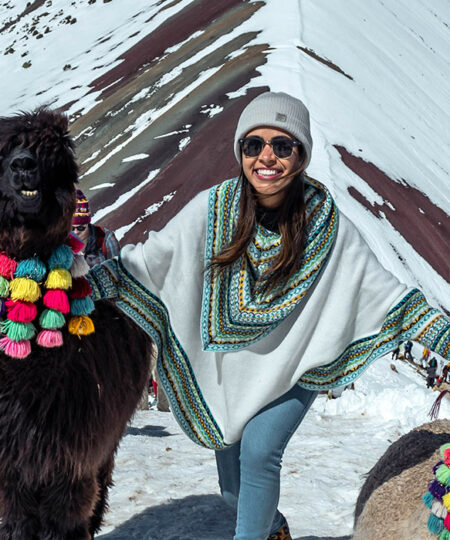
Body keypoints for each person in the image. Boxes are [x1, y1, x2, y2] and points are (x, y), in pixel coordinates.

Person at [88, 92, 449, 540]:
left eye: (283, 145)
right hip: (231, 368)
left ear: (302, 154)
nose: (266, 157)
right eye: (253, 144)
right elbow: (149, 262)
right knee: (232, 484)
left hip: (297, 363)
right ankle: (271, 528)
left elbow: (388, 297)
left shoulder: (326, 226)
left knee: (259, 452)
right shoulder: (214, 209)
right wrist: (78, 287)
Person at [72, 189, 120, 267]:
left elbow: (118, 272)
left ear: (87, 223)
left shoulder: (106, 239)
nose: (76, 232)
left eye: (80, 228)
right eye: (71, 228)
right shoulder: (61, 244)